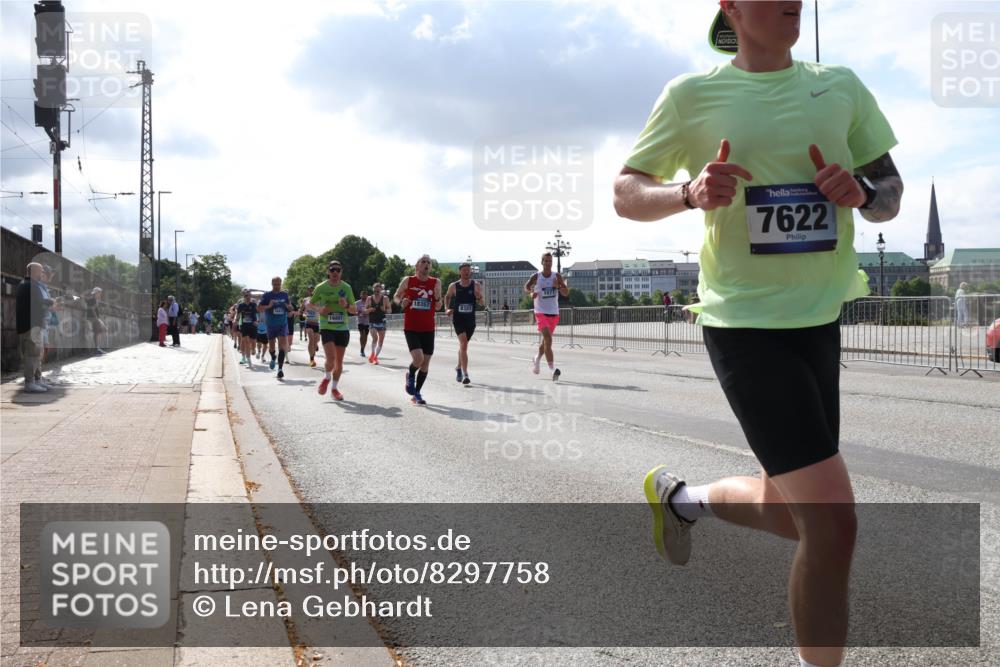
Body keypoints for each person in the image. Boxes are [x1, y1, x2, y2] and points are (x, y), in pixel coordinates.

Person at [614, 3, 903, 666]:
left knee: (796, 510)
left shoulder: (842, 86)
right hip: (743, 322)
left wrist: (859, 189)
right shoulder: (691, 96)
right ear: (732, 8)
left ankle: (680, 500)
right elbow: (627, 192)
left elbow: (891, 189)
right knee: (833, 525)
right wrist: (688, 194)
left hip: (820, 318)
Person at [394, 254, 442, 405]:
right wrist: (402, 301)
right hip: (412, 327)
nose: (426, 264)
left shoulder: (436, 282)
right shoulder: (408, 280)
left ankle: (417, 393)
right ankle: (410, 373)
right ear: (417, 266)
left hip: (428, 328)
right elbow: (395, 296)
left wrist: (437, 297)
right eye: (423, 262)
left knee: (425, 363)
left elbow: (439, 306)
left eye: (429, 262)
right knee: (418, 359)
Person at [312, 261, 356, 401]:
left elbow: (354, 310)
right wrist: (321, 310)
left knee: (339, 362)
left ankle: (334, 389)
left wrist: (347, 305)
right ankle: (326, 378)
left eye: (338, 270)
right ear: (328, 272)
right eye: (332, 270)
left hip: (342, 328)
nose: (335, 272)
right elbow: (310, 304)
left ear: (341, 272)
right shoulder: (321, 287)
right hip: (327, 327)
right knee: (330, 359)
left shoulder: (346, 287)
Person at [524, 252, 569, 380]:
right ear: (542, 262)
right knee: (548, 339)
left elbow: (566, 293)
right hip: (540, 312)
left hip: (554, 313)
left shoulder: (557, 276)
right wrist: (531, 293)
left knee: (545, 342)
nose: (548, 263)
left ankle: (537, 358)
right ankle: (552, 370)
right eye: (546, 261)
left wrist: (559, 286)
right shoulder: (536, 276)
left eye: (550, 261)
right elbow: (526, 287)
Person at [16, 263, 54, 393]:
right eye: (40, 271)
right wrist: (52, 302)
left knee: (37, 355)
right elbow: (39, 302)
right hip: (31, 326)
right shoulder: (29, 285)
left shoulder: (29, 285)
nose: (42, 273)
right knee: (32, 355)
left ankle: (37, 380)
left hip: (34, 326)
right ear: (33, 271)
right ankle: (30, 382)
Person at [444, 262, 485, 385]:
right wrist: (446, 308)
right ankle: (465, 374)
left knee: (463, 346)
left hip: (470, 320)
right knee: (463, 344)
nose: (467, 272)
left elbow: (483, 304)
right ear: (460, 271)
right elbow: (447, 296)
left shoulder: (476, 285)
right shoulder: (454, 286)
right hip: (459, 319)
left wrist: (479, 297)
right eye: (465, 270)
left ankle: (458, 367)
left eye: (469, 270)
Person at [258, 276, 292, 380]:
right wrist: (269, 306)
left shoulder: (285, 295)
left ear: (281, 284)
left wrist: (288, 307)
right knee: (272, 347)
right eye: (275, 284)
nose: (277, 286)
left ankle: (280, 369)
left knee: (282, 347)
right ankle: (273, 357)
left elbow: (290, 307)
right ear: (272, 284)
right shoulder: (267, 295)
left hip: (282, 324)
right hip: (271, 325)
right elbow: (258, 308)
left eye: (279, 284)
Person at [366, 283, 391, 364]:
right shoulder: (369, 298)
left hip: (382, 321)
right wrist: (370, 309)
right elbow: (365, 310)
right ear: (373, 290)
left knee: (381, 340)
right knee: (375, 338)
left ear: (381, 290)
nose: (376, 291)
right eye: (375, 290)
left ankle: (375, 357)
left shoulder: (385, 298)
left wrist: (384, 310)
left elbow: (390, 311)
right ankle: (373, 354)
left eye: (378, 290)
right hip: (372, 321)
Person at [235, 290, 259, 366]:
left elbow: (258, 313)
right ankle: (249, 361)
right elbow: (238, 315)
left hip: (253, 326)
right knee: (246, 343)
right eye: (246, 296)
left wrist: (257, 321)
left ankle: (253, 349)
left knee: (253, 343)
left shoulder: (254, 304)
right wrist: (235, 321)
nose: (248, 297)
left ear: (250, 296)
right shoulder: (241, 305)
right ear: (244, 297)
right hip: (244, 326)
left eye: (249, 296)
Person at [300, 286, 321, 367]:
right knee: (311, 340)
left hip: (317, 322)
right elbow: (301, 310)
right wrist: (303, 313)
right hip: (308, 322)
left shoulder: (319, 299)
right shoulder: (305, 300)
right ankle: (311, 359)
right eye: (310, 290)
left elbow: (323, 308)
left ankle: (315, 347)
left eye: (313, 289)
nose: (312, 291)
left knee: (316, 341)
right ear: (308, 291)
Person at [84, 287, 108, 354]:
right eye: (99, 293)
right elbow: (92, 309)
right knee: (98, 331)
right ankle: (97, 348)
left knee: (99, 331)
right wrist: (97, 319)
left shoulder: (92, 299)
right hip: (93, 317)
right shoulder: (93, 299)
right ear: (96, 293)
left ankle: (97, 348)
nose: (100, 294)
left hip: (93, 317)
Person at [355, 289, 370, 359]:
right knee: (362, 334)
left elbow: (372, 310)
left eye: (365, 295)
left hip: (367, 321)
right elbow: (354, 311)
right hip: (360, 321)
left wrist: (368, 312)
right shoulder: (357, 303)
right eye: (362, 295)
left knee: (366, 336)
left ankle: (363, 348)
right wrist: (359, 313)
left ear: (367, 296)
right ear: (360, 295)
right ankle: (362, 349)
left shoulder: (369, 302)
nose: (364, 296)